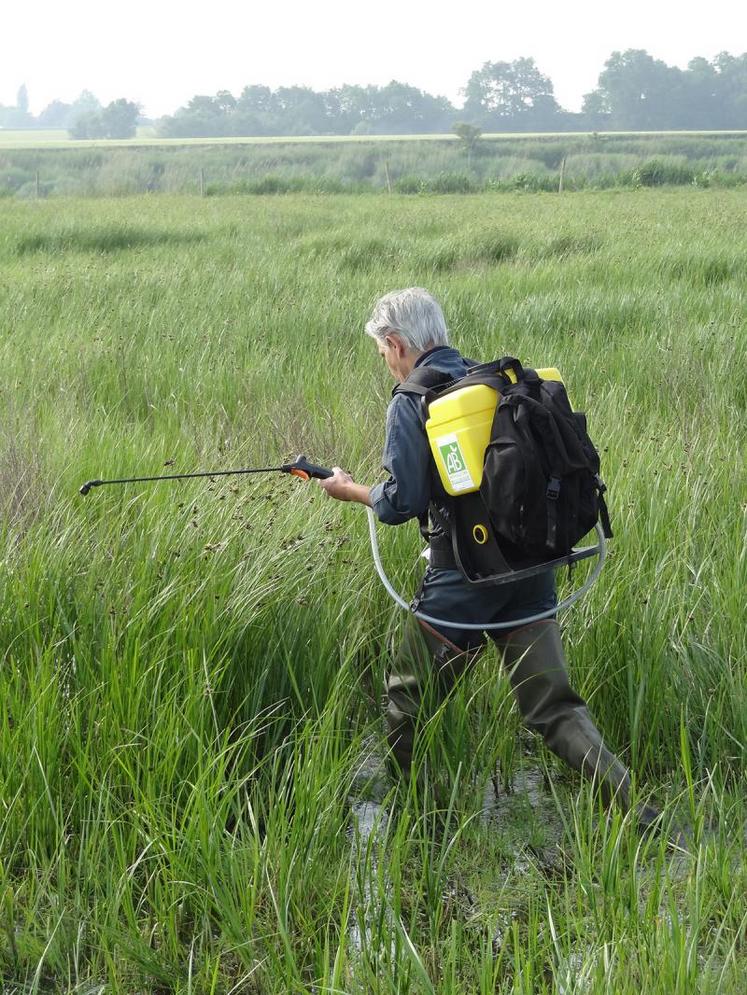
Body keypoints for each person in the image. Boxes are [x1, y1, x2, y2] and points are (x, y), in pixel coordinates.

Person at [318, 287, 653, 823]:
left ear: (398, 343)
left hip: (463, 583)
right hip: (530, 571)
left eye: (383, 354)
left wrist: (350, 490)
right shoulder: (495, 381)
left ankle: (424, 822)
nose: (386, 365)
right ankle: (637, 810)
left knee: (406, 704)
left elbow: (399, 502)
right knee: (554, 709)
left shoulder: (411, 401)